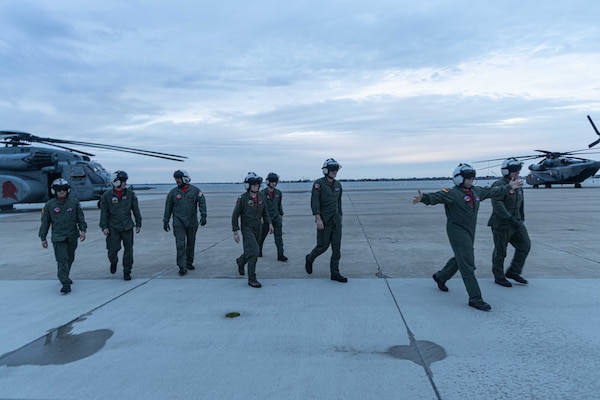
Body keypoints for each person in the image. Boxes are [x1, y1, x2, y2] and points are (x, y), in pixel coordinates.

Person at [412, 163, 523, 311]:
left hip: (470, 230)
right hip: (456, 231)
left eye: (472, 178)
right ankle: (475, 298)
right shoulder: (452, 193)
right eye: (468, 178)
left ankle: (441, 276)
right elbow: (436, 197)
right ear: (459, 179)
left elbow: (492, 191)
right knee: (468, 263)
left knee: (461, 257)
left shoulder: (476, 192)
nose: (471, 181)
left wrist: (509, 187)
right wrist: (423, 198)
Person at [487, 158, 531, 287]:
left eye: (518, 170)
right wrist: (511, 219)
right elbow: (498, 205)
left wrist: (521, 219)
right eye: (514, 171)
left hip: (517, 222)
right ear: (507, 171)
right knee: (501, 251)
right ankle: (499, 276)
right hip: (502, 224)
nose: (517, 173)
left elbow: (521, 203)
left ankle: (513, 271)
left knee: (525, 245)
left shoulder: (517, 184)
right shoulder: (499, 185)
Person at [39, 179, 87, 294]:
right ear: (54, 191)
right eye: (58, 190)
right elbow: (45, 223)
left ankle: (65, 275)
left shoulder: (74, 203)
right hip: (58, 237)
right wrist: (43, 237)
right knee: (62, 259)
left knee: (70, 258)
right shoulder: (49, 205)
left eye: (64, 189)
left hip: (72, 235)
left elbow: (80, 218)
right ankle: (65, 283)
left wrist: (83, 230)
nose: (61, 192)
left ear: (68, 190)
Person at [305, 158, 347, 283]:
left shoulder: (338, 185)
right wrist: (318, 219)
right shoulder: (318, 184)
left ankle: (335, 272)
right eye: (332, 169)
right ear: (326, 170)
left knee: (336, 247)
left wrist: (341, 216)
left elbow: (338, 203)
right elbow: (315, 202)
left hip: (336, 221)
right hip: (324, 221)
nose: (335, 172)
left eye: (336, 169)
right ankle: (310, 258)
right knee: (322, 246)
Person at [232, 172, 273, 288]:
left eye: (258, 184)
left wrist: (269, 223)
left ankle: (241, 261)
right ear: (248, 185)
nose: (256, 186)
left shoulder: (261, 196)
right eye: (253, 184)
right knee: (254, 251)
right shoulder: (243, 198)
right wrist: (235, 231)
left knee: (252, 250)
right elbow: (235, 215)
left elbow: (265, 211)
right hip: (247, 228)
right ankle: (252, 278)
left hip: (258, 228)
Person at [99, 170, 142, 281]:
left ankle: (127, 271)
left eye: (125, 181)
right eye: (123, 181)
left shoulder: (130, 194)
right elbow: (104, 213)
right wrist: (104, 227)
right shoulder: (107, 196)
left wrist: (138, 223)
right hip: (113, 227)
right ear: (116, 182)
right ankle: (113, 262)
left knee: (129, 250)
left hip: (127, 226)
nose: (125, 183)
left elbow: (135, 210)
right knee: (113, 250)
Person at [163, 170, 208, 276]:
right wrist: (166, 221)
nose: (177, 180)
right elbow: (168, 207)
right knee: (180, 244)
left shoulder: (196, 191)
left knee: (190, 243)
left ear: (185, 178)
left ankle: (189, 262)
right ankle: (182, 266)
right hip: (178, 222)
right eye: (176, 178)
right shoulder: (173, 193)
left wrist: (203, 216)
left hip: (192, 221)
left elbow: (202, 203)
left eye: (178, 178)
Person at [258, 172, 287, 261]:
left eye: (275, 182)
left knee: (279, 237)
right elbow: (260, 207)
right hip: (266, 218)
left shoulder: (278, 193)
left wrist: (281, 214)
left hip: (276, 217)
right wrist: (261, 218)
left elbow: (279, 205)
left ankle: (280, 254)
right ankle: (258, 250)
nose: (274, 183)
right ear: (268, 182)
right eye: (272, 182)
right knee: (261, 236)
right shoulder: (262, 193)